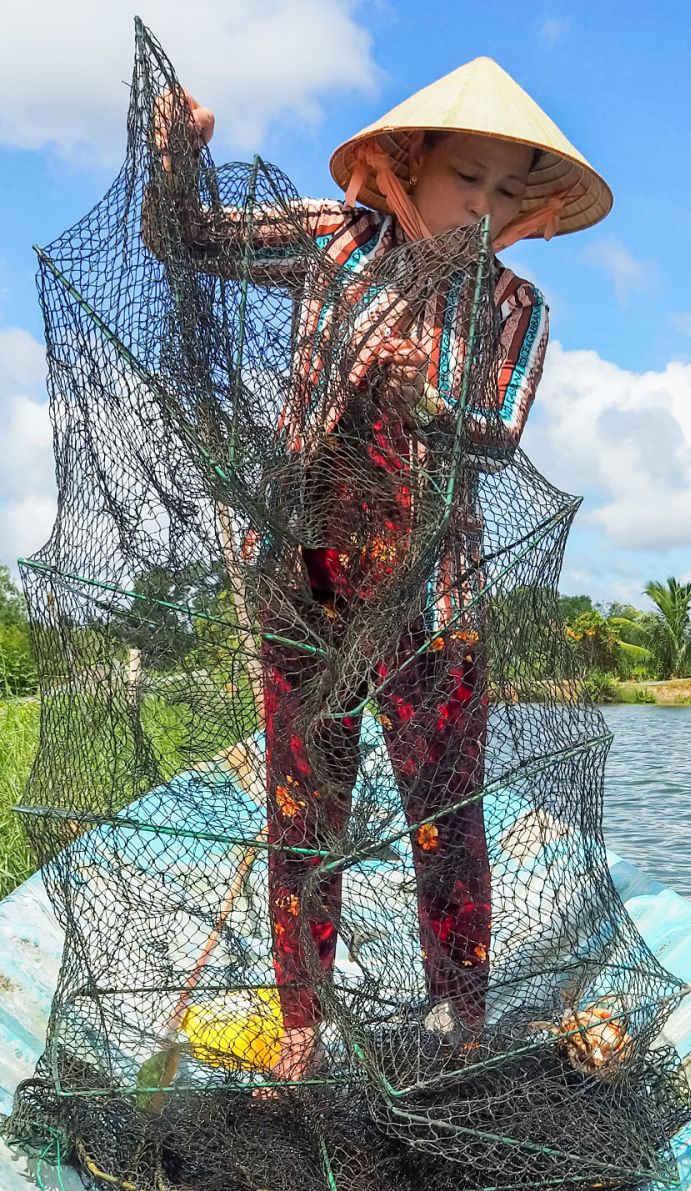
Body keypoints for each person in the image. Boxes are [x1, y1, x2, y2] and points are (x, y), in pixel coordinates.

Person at [146, 56, 613, 1086]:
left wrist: (430, 407)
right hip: (306, 588)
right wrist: (178, 158)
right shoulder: (336, 241)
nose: (482, 209)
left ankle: (462, 1025)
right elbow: (177, 240)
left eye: (505, 193)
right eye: (465, 180)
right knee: (303, 817)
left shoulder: (512, 309)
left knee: (445, 820)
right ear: (409, 166)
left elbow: (497, 434)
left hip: (432, 604)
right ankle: (303, 1030)